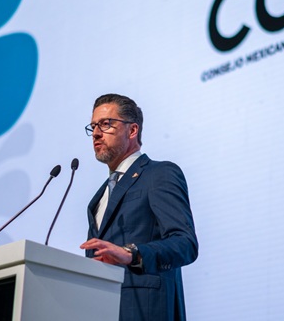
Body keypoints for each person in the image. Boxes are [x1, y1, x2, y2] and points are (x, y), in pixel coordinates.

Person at [80, 93, 198, 321]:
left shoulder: (159, 174)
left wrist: (131, 254)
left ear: (132, 130)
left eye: (106, 124)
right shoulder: (98, 198)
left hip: (146, 311)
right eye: (93, 126)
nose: (96, 133)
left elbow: (185, 243)